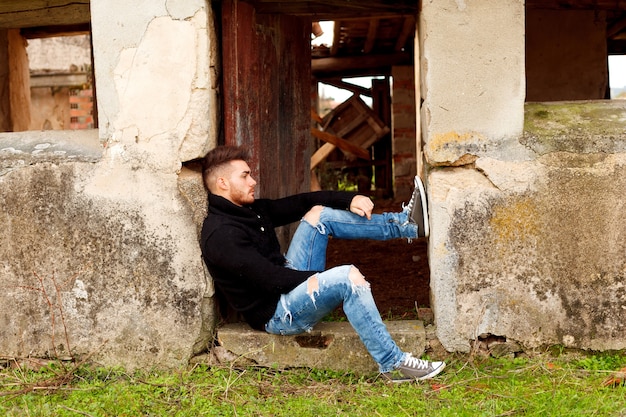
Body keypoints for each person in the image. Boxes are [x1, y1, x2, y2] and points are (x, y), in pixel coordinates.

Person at [200, 145, 445, 382]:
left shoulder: (249, 210)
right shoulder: (221, 235)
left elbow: (302, 203)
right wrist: (322, 279)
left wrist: (349, 198)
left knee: (320, 214)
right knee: (347, 276)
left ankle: (406, 224)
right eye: (244, 176)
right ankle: (393, 363)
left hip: (285, 282)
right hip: (278, 313)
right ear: (222, 183)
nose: (252, 181)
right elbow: (269, 279)